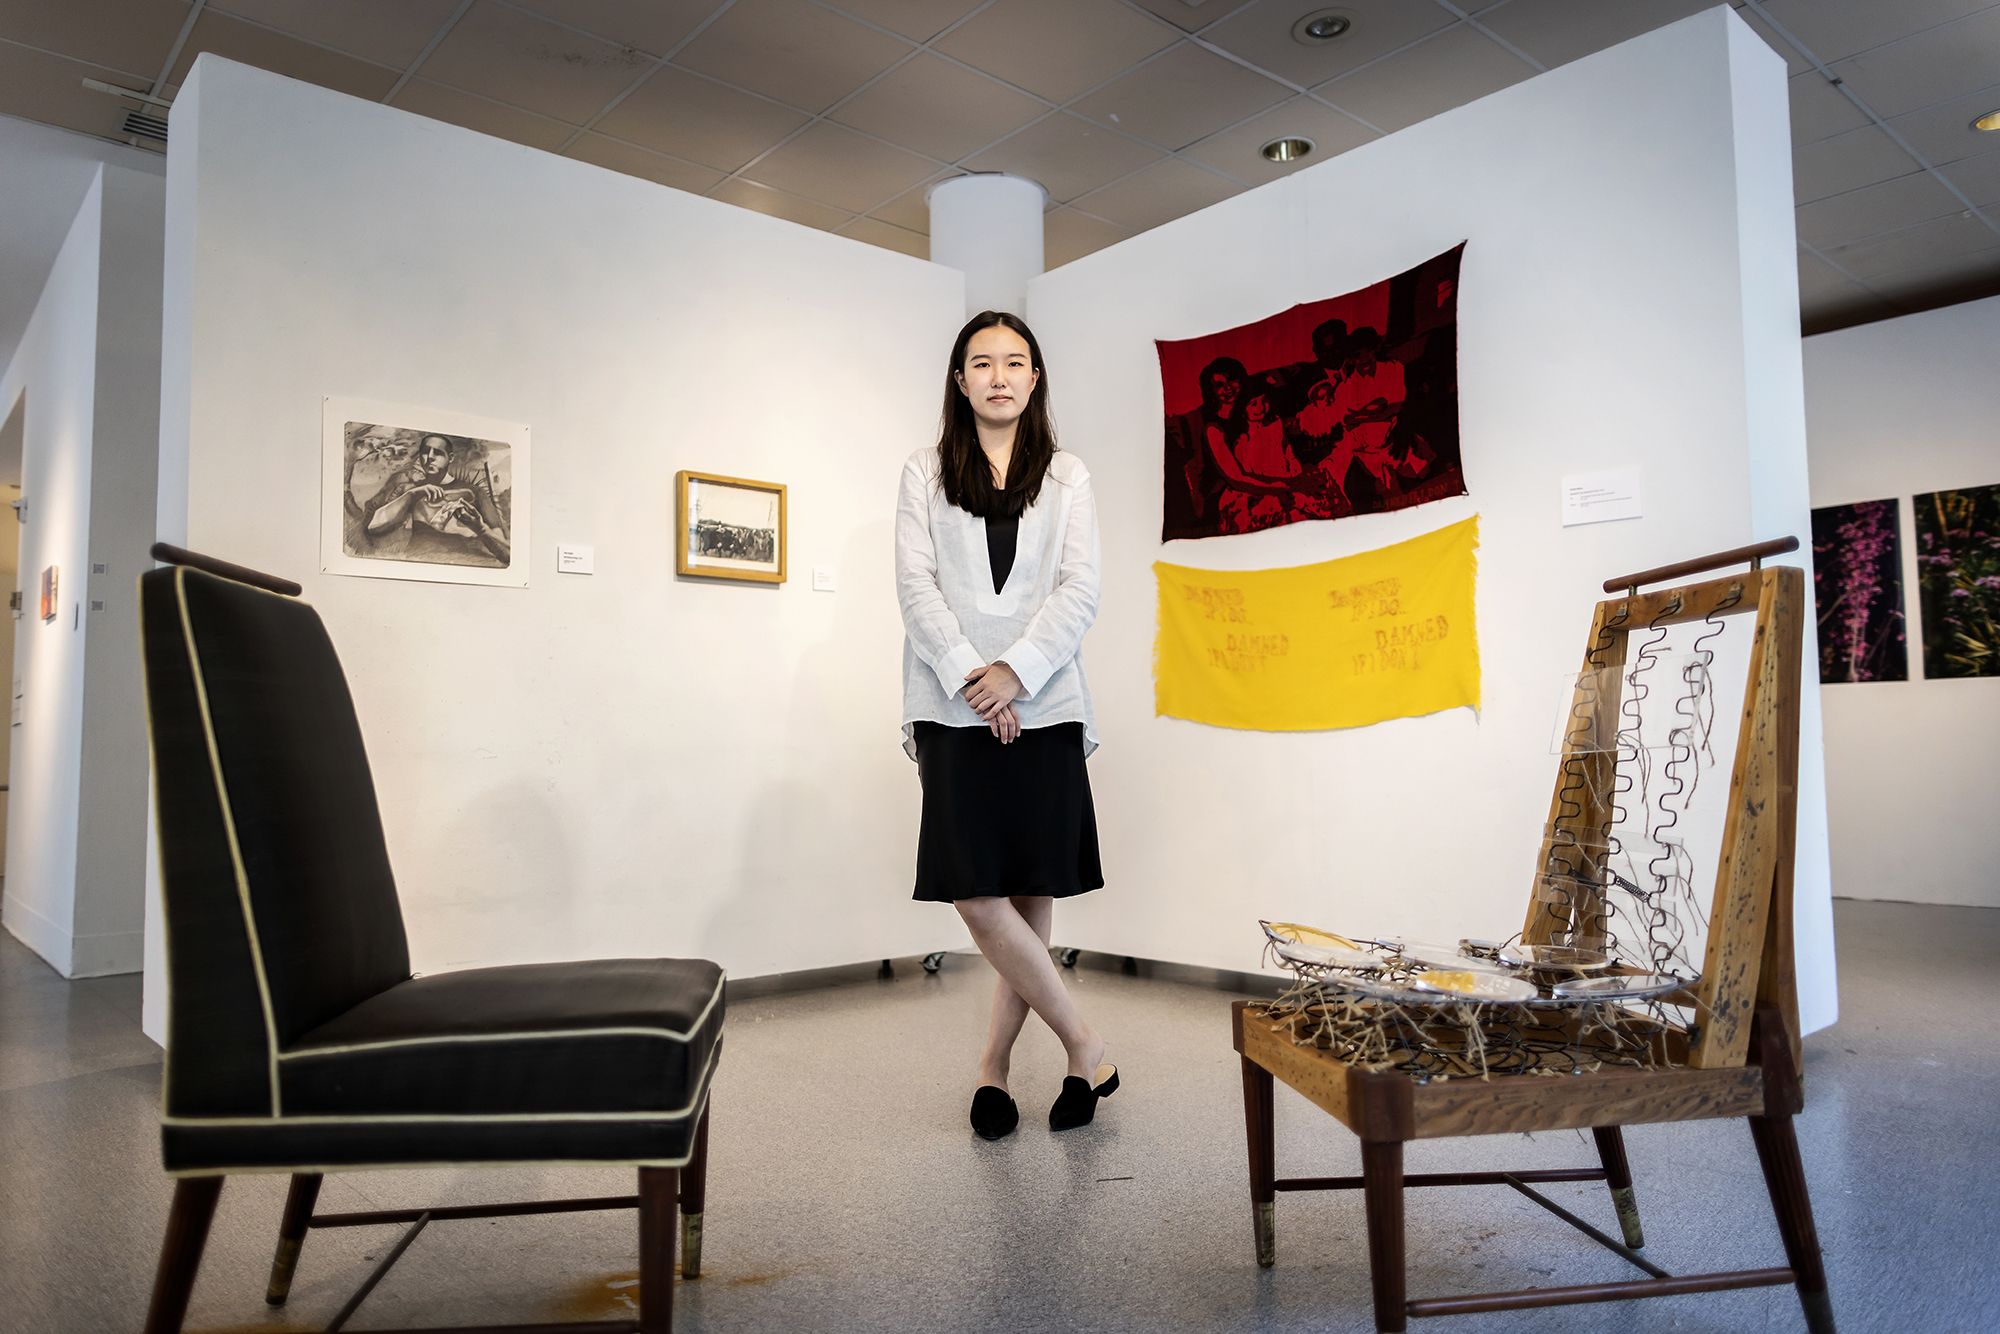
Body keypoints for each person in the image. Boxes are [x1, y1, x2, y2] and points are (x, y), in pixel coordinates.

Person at [895, 310, 1117, 1141]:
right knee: (975, 892)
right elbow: (916, 588)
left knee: (1028, 893)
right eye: (981, 362)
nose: (997, 375)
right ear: (959, 380)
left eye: (1014, 362)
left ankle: (993, 1072)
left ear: (1034, 379)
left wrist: (1016, 674)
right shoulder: (923, 472)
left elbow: (1079, 590)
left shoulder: (1068, 477)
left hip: (1047, 699)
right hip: (952, 703)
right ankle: (1083, 1040)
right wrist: (973, 680)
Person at [364, 433, 511, 566]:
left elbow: (506, 554)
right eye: (425, 452)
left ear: (450, 458)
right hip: (418, 564)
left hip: (467, 566)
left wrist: (482, 530)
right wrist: (413, 495)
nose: (430, 457)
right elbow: (374, 528)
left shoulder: (474, 492)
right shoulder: (410, 491)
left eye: (438, 453)